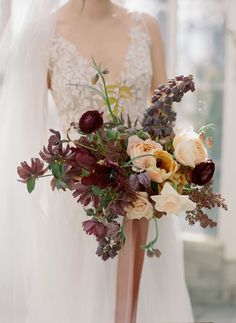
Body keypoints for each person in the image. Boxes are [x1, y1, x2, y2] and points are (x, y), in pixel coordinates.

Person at [0, 1, 194, 322]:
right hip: (80, 210)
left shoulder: (147, 28)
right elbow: (28, 136)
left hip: (144, 201)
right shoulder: (41, 36)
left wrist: (169, 166)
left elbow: (164, 121)